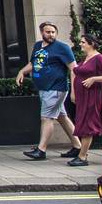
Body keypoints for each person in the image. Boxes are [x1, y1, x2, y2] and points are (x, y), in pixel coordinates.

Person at [16, 22, 79, 160]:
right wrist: (22, 71)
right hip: (44, 88)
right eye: (48, 32)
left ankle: (41, 150)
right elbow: (34, 63)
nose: (51, 35)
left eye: (53, 32)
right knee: (62, 117)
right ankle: (78, 146)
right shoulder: (38, 46)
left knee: (46, 118)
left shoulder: (62, 48)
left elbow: (74, 69)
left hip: (56, 88)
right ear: (41, 32)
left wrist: (74, 91)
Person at [69, 33, 102, 167]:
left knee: (89, 124)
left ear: (91, 44)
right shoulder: (86, 58)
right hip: (85, 97)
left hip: (95, 97)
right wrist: (74, 92)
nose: (81, 44)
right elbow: (75, 72)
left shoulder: (100, 58)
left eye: (83, 42)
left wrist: (94, 79)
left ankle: (82, 156)